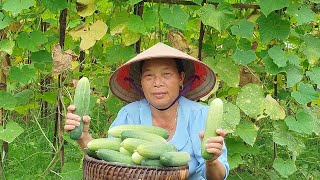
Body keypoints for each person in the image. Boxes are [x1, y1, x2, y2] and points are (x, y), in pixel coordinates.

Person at [65, 42, 229, 180]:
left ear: (181, 78)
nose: (157, 83)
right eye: (149, 76)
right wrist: (83, 137)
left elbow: (217, 177)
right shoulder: (129, 115)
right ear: (141, 82)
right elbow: (109, 163)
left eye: (166, 74)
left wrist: (212, 161)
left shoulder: (201, 115)